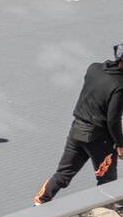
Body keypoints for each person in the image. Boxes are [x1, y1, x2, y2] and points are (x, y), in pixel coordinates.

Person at [33, 43, 123, 205]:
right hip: (99, 139)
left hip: (76, 131)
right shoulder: (120, 85)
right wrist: (120, 143)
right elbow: (113, 120)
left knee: (63, 174)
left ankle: (40, 201)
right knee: (107, 178)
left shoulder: (94, 68)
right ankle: (110, 207)